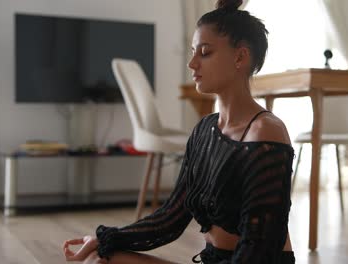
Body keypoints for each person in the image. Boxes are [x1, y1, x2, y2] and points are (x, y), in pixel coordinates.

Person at [63, 0, 296, 263]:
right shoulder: (204, 131)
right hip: (213, 259)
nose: (192, 64)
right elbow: (170, 219)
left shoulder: (266, 133)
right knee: (100, 257)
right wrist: (104, 240)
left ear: (240, 57)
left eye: (205, 53)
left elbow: (260, 246)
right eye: (193, 52)